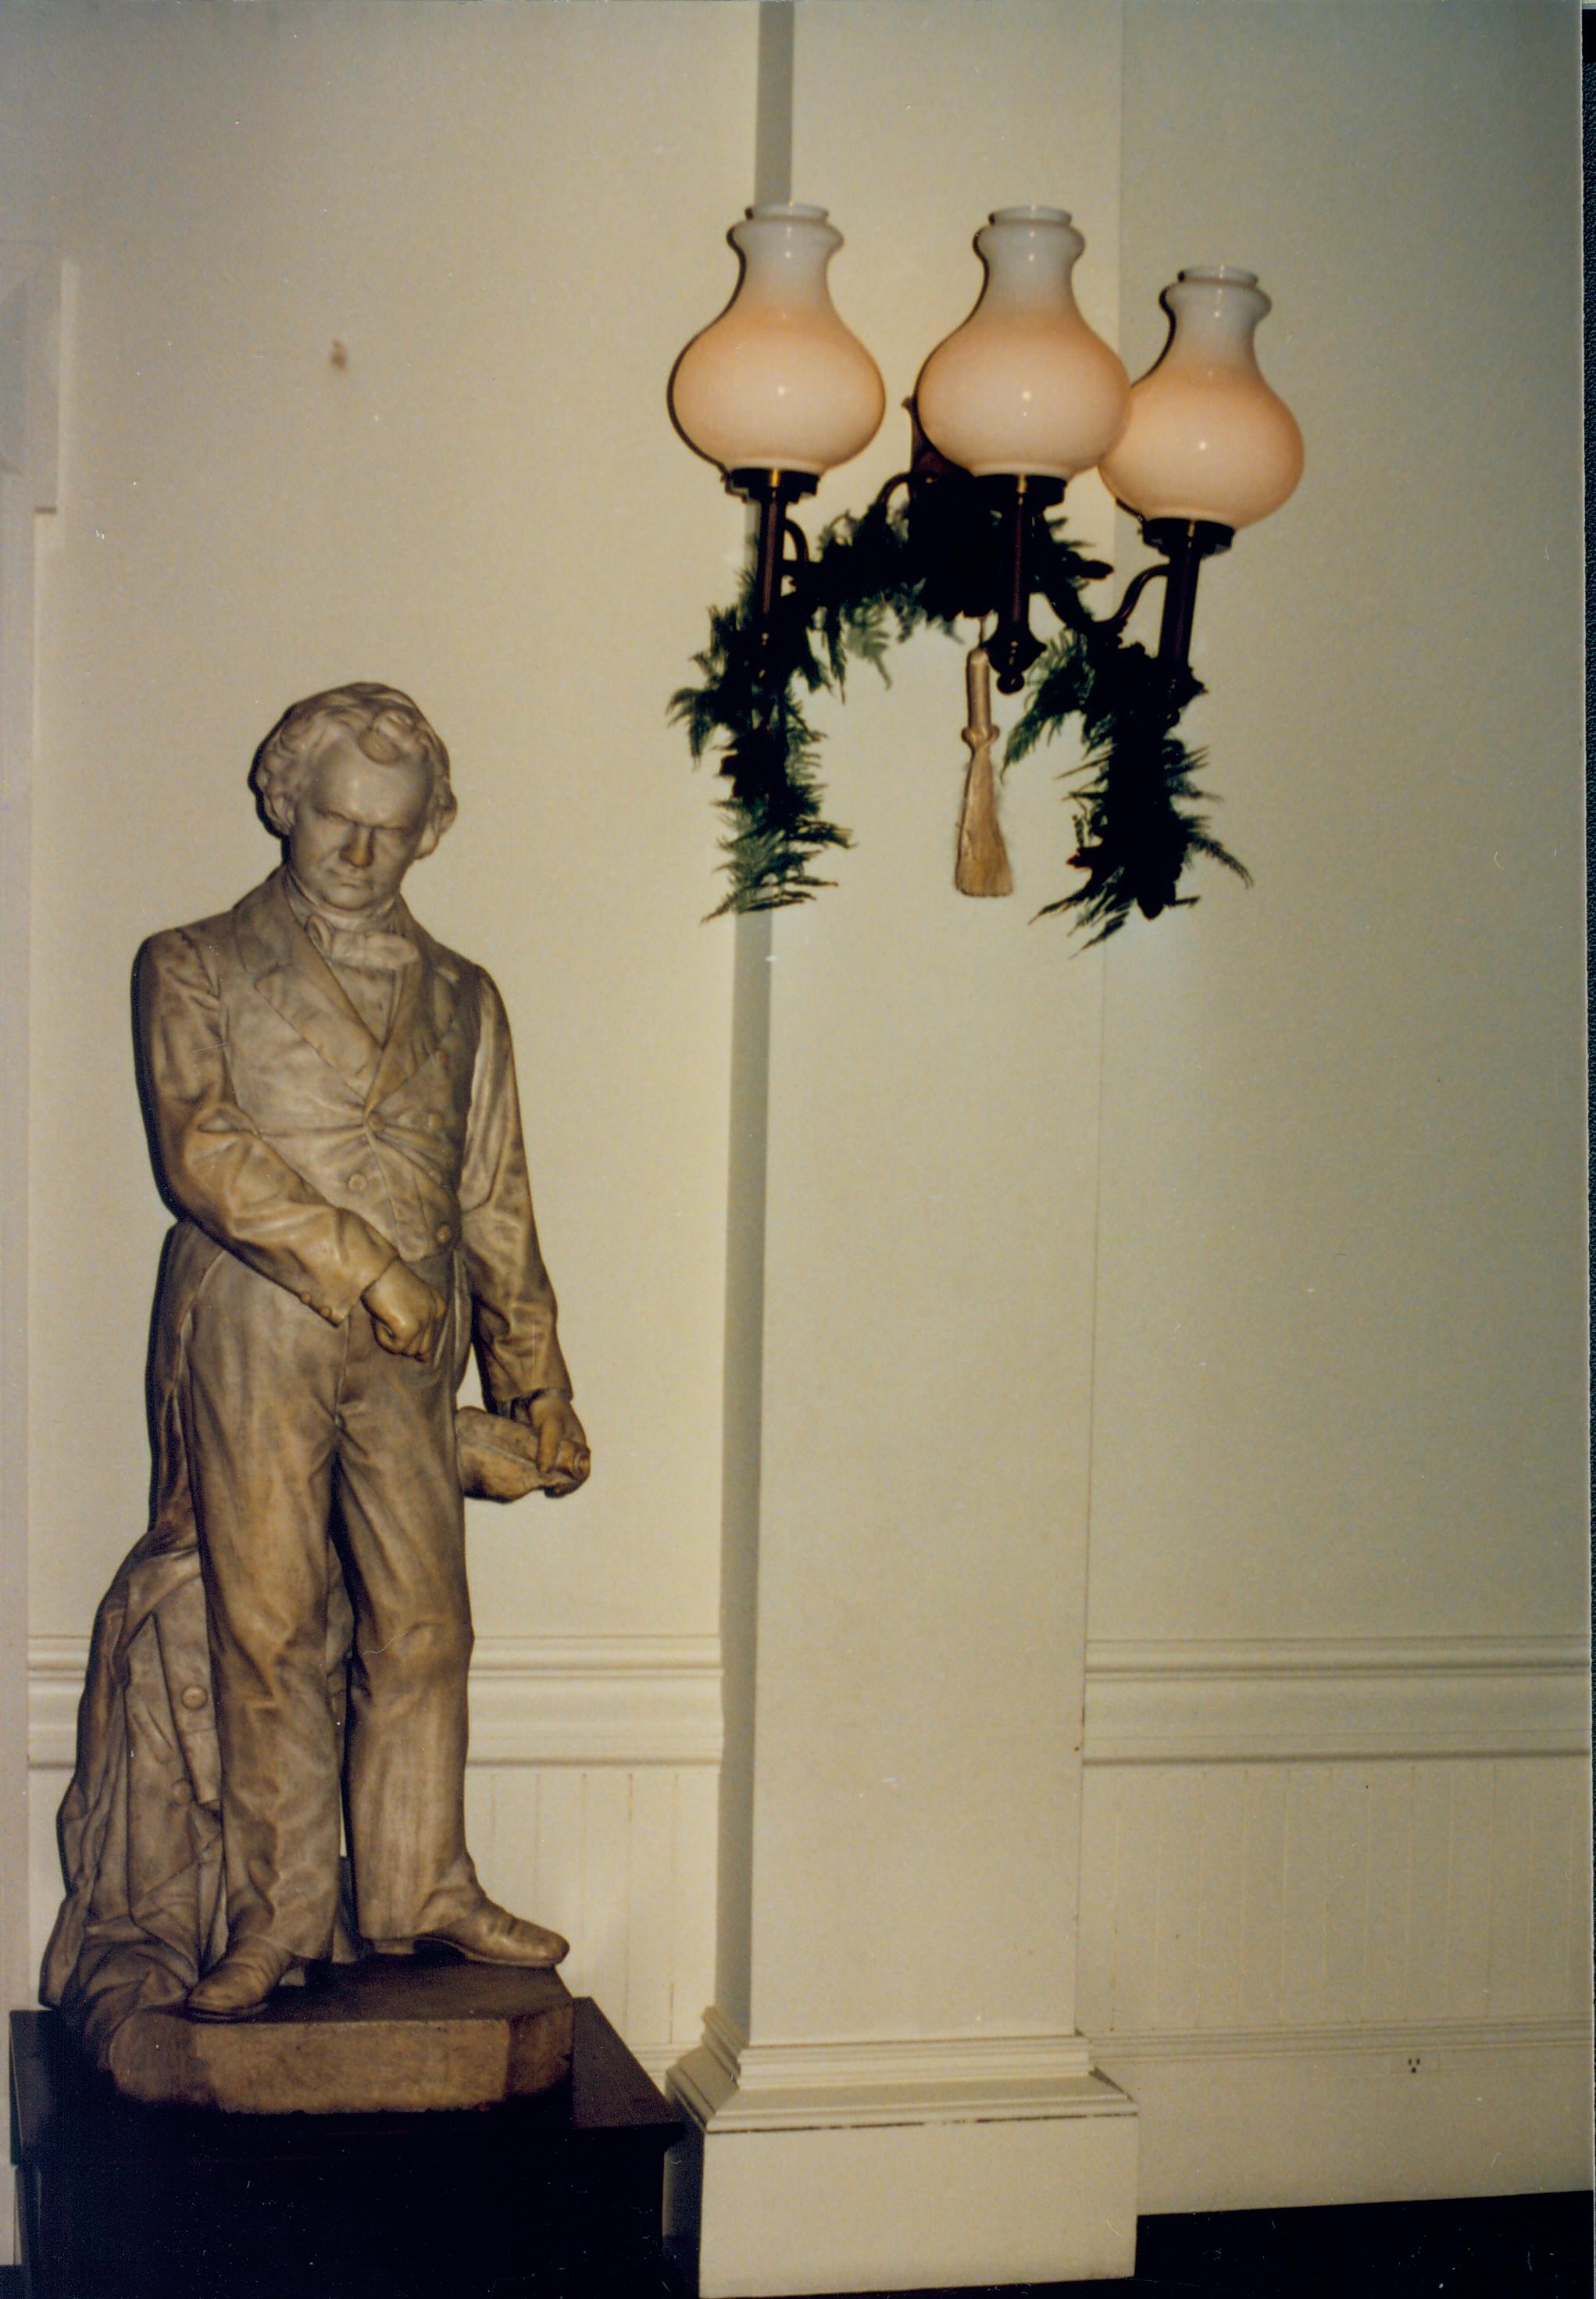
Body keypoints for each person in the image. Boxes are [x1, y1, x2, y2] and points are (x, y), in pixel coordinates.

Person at [49, 684, 591, 2032]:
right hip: (253, 1324)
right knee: (271, 1624)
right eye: (338, 821)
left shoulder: (466, 995)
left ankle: (418, 1886)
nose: (359, 855)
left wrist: (537, 1379)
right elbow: (203, 1153)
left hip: (418, 1344)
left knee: (423, 1623)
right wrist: (363, 1268)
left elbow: (497, 1200)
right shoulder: (191, 962)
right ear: (284, 801)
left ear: (430, 834)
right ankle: (278, 1917)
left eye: (392, 833)